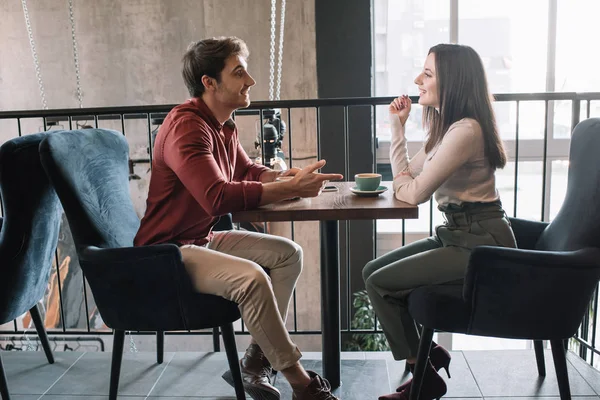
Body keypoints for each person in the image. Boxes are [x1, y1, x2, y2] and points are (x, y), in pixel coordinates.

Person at [134, 36, 343, 400]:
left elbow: (248, 171)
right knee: (251, 278)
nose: (251, 81)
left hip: (200, 240)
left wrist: (292, 179)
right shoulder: (187, 127)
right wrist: (293, 188)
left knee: (287, 253)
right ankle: (302, 384)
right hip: (164, 253)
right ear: (209, 82)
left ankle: (254, 364)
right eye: (240, 72)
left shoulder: (223, 125)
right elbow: (216, 196)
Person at [362, 43, 517, 400]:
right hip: (457, 233)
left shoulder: (466, 131)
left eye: (428, 74)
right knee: (372, 271)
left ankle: (423, 373)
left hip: (482, 243)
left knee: (382, 284)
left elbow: (412, 192)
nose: (418, 79)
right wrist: (398, 128)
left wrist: (403, 175)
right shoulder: (446, 129)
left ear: (454, 81)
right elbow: (407, 177)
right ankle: (428, 356)